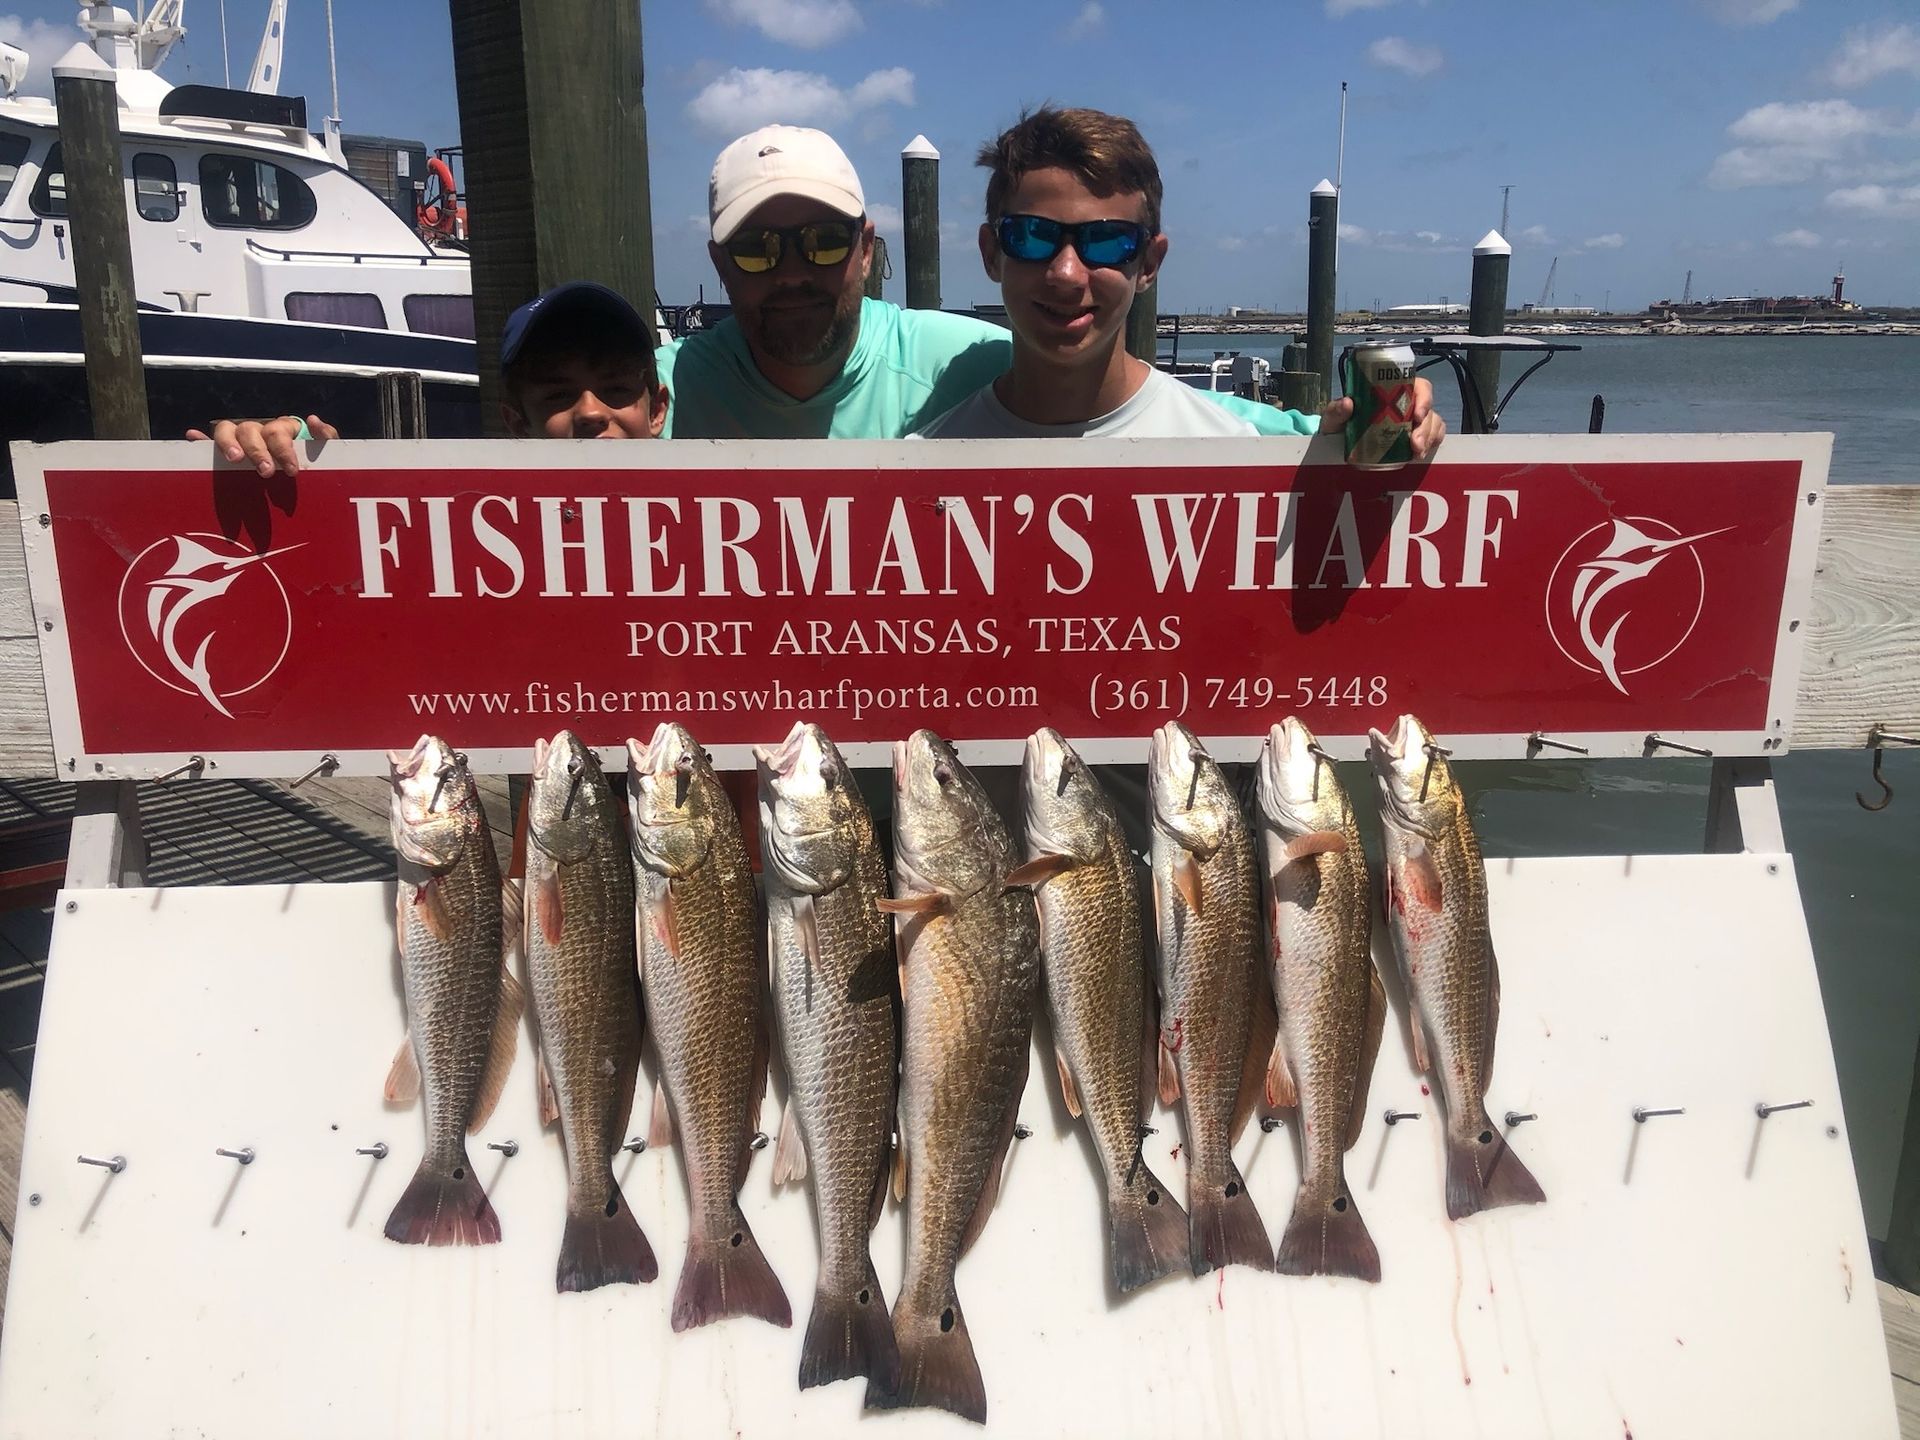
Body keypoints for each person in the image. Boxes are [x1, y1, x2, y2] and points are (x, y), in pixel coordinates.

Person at [198, 123, 1344, 468]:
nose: (791, 271)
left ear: (867, 252)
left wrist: (1389, 432)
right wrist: (304, 449)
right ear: (715, 263)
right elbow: (524, 447)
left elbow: (1237, 427)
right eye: (757, 250)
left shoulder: (970, 361)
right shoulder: (668, 388)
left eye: (820, 242)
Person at [918, 104, 1445, 455]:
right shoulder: (912, 467)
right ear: (991, 253)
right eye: (1031, 236)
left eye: (1106, 240)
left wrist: (1404, 436)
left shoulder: (1234, 453)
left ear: (1148, 263)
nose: (1066, 272)